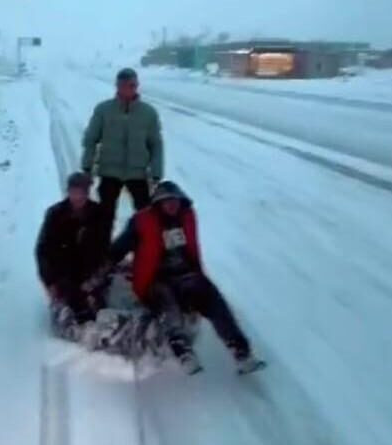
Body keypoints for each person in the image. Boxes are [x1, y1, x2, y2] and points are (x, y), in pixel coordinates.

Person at [93, 181, 265, 375]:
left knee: (213, 299)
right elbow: (118, 249)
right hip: (154, 279)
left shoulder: (186, 218)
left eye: (174, 200)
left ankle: (240, 351)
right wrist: (100, 272)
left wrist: (197, 273)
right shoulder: (142, 222)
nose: (171, 205)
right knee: (167, 305)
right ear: (157, 204)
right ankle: (183, 352)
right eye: (165, 201)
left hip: (185, 275)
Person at [81, 67, 164, 240]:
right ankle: (102, 257)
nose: (129, 88)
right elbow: (91, 139)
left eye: (133, 85)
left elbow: (156, 144)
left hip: (138, 173)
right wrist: (87, 166)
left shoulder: (148, 113)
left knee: (145, 217)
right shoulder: (103, 110)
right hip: (109, 172)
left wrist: (156, 173)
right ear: (117, 86)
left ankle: (144, 254)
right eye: (125, 85)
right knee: (105, 217)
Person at [35, 172, 108, 341]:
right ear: (68, 192)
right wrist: (49, 281)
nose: (78, 196)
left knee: (102, 304)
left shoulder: (98, 213)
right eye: (74, 191)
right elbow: (42, 250)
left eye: (82, 192)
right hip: (63, 273)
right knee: (72, 309)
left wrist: (99, 273)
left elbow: (104, 247)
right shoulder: (55, 214)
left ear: (87, 192)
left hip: (89, 270)